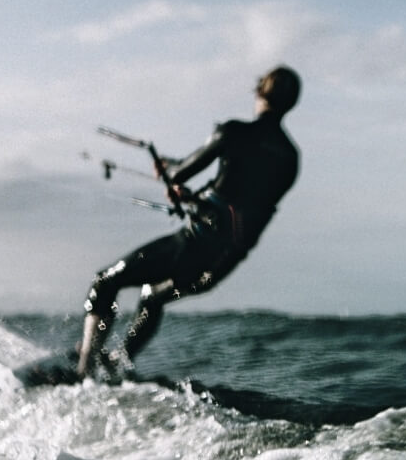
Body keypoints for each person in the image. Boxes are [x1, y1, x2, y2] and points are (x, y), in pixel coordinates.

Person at [75, 65, 301, 379]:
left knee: (105, 282)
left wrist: (168, 168)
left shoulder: (233, 132)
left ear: (261, 92)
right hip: (220, 265)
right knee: (153, 297)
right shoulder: (291, 158)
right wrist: (195, 199)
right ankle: (117, 365)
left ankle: (83, 372)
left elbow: (181, 174)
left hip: (194, 245)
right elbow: (246, 204)